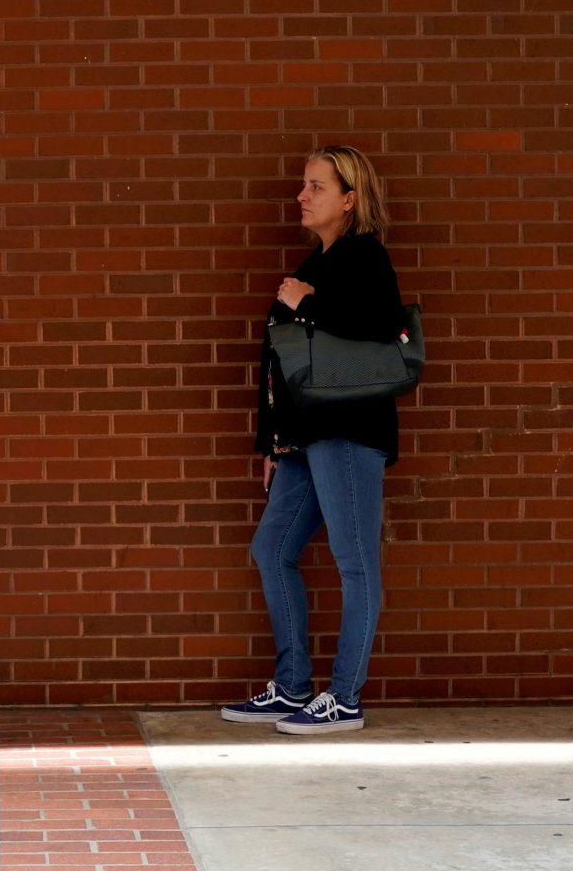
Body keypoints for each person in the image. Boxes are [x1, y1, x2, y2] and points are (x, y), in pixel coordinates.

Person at [221, 145, 409, 734]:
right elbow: (282, 366)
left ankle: (345, 698)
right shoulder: (317, 263)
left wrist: (311, 304)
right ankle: (293, 685)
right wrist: (273, 444)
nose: (302, 196)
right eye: (304, 186)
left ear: (349, 199)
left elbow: (384, 329)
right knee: (272, 549)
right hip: (304, 440)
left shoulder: (364, 258)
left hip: (350, 435)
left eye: (316, 186)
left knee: (355, 565)